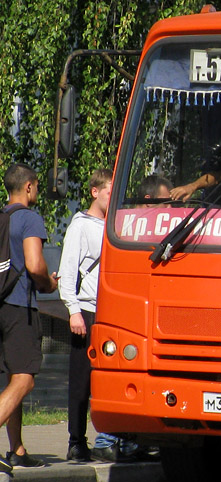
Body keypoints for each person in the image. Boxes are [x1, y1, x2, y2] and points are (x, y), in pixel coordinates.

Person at [0, 163, 58, 473]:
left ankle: (17, 449)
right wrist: (49, 283)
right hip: (19, 306)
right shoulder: (29, 219)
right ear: (29, 187)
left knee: (13, 376)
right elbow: (35, 265)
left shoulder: (1, 218)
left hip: (0, 305)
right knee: (25, 378)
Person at [58, 168, 112, 462]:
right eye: (108, 190)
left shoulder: (114, 226)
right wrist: (74, 311)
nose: (111, 196)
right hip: (87, 311)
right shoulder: (80, 225)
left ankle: (114, 438)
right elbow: (67, 271)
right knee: (80, 380)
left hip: (110, 311)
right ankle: (76, 441)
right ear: (95, 192)